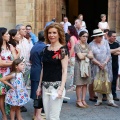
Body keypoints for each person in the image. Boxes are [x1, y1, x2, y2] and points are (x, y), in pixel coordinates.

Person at [36, 23, 68, 120]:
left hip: (56, 87)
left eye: (54, 32)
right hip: (45, 87)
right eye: (49, 33)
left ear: (59, 34)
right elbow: (43, 69)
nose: (52, 35)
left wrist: (61, 89)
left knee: (54, 117)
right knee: (48, 116)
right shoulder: (45, 49)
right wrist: (39, 87)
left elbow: (65, 70)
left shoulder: (62, 50)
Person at [89, 29, 118, 107]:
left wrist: (104, 63)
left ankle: (110, 100)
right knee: (98, 82)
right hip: (96, 66)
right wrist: (99, 64)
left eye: (102, 36)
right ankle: (99, 99)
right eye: (100, 36)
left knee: (108, 82)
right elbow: (91, 57)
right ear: (95, 37)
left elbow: (108, 54)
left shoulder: (105, 42)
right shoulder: (91, 44)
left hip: (106, 65)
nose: (102, 37)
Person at [0, 27, 16, 120]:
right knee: (1, 96)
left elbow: (15, 60)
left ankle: (11, 113)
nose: (9, 35)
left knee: (11, 93)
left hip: (11, 73)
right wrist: (12, 63)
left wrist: (8, 63)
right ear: (2, 36)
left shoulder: (10, 46)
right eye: (6, 34)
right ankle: (4, 115)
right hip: (1, 75)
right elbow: (1, 63)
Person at [74, 31, 93, 108]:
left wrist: (84, 54)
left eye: (86, 36)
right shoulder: (77, 45)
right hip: (79, 66)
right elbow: (80, 57)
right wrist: (87, 54)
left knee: (85, 83)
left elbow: (92, 56)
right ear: (80, 37)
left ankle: (83, 99)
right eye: (83, 36)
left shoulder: (88, 45)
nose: (85, 38)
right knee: (79, 84)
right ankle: (78, 100)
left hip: (86, 66)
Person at [30, 31, 46, 120]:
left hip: (34, 70)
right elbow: (44, 62)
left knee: (37, 93)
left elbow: (31, 60)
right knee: (39, 94)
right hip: (40, 71)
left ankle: (35, 114)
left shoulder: (34, 46)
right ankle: (37, 116)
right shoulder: (44, 47)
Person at [15, 24, 31, 112]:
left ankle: (21, 104)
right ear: (18, 31)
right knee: (17, 85)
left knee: (24, 85)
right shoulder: (15, 42)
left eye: (25, 29)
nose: (25, 30)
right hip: (18, 66)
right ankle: (16, 105)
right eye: (23, 29)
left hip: (27, 65)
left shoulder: (26, 40)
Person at [108, 31, 120, 101]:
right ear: (109, 36)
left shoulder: (117, 43)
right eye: (113, 36)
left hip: (115, 64)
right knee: (107, 80)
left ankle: (113, 94)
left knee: (114, 79)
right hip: (107, 64)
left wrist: (112, 51)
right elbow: (107, 51)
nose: (115, 37)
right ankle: (105, 94)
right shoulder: (106, 43)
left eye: (115, 36)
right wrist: (116, 50)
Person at [67, 26, 78, 90]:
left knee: (72, 71)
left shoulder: (71, 38)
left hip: (73, 56)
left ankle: (73, 85)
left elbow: (73, 47)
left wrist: (69, 57)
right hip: (75, 56)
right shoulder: (75, 37)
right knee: (73, 70)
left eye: (68, 30)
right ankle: (74, 85)